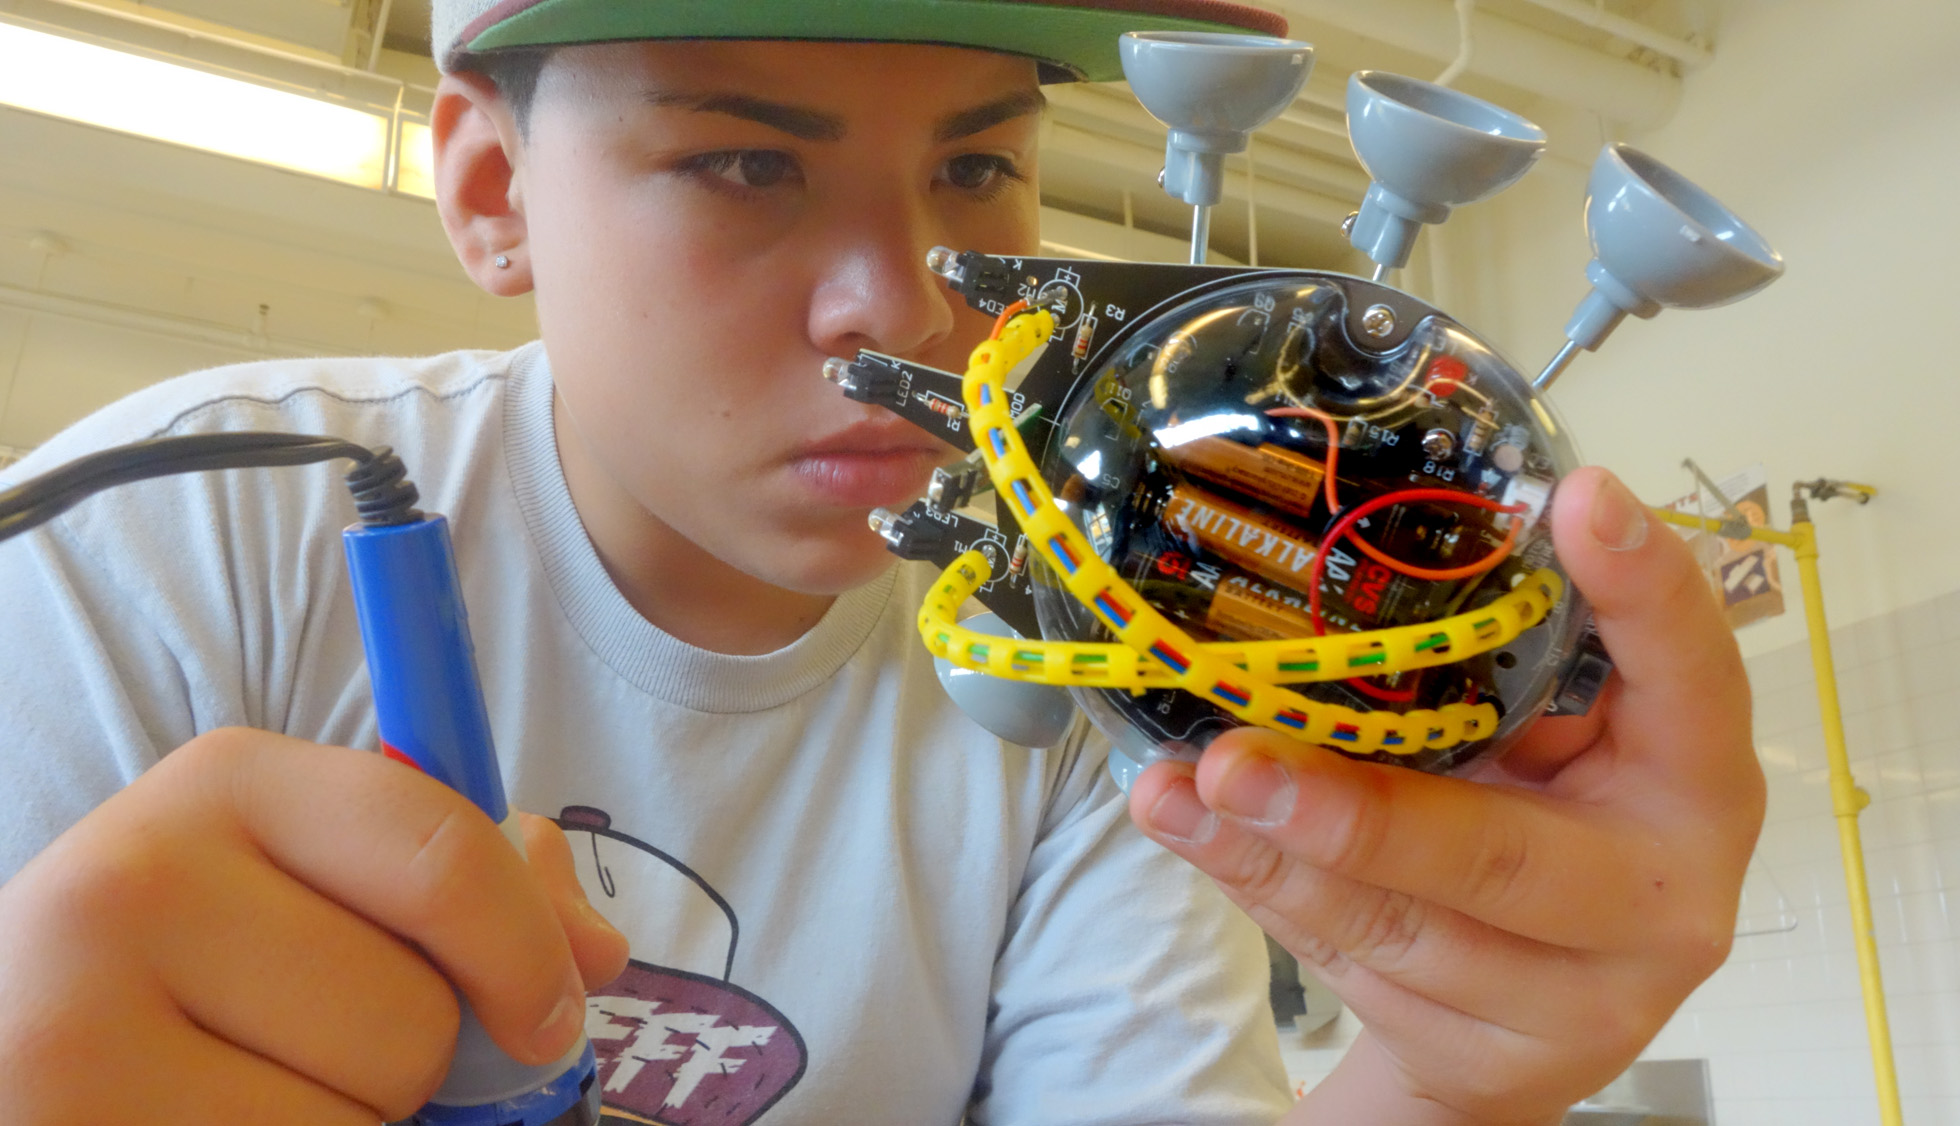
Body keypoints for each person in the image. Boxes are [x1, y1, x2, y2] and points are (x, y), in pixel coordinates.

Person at [0, 2, 1765, 1124]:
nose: (902, 304)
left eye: (978, 162)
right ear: (489, 188)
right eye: (744, 160)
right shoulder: (158, 544)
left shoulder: (1098, 649)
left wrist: (1448, 1079)